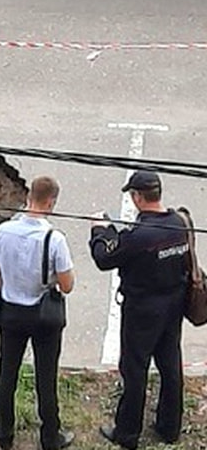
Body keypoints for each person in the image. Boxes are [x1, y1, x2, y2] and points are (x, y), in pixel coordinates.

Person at [89, 170, 188, 449]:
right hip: (174, 304)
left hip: (142, 309)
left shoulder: (139, 235)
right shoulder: (179, 223)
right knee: (170, 365)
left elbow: (104, 258)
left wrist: (99, 231)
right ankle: (170, 427)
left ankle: (128, 432)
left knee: (134, 369)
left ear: (137, 197)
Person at [0, 175, 76, 450]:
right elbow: (67, 285)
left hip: (11, 313)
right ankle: (50, 436)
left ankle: (4, 434)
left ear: (29, 197)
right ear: (51, 203)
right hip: (43, 317)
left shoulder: (3, 231)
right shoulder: (55, 239)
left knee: (7, 374)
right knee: (45, 377)